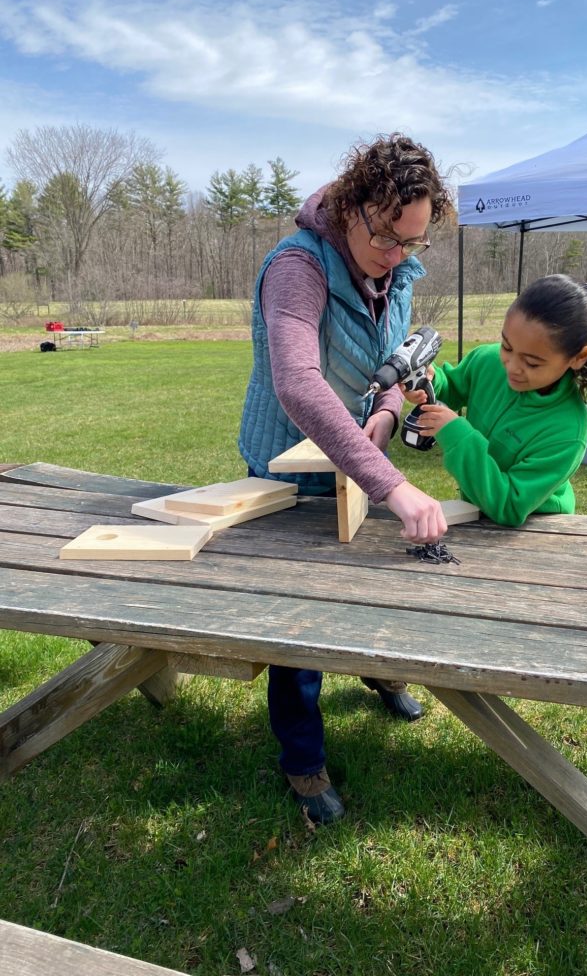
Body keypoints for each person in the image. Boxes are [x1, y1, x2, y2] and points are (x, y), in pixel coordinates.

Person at [238, 134, 452, 823]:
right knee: (297, 619)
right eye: (388, 237)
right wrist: (392, 483)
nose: (397, 255)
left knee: (375, 587)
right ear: (352, 206)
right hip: (288, 468)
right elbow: (298, 383)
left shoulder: (399, 271)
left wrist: (386, 418)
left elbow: (397, 368)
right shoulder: (297, 267)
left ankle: (377, 666)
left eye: (412, 243)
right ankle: (302, 762)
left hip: (361, 459)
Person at [404, 274, 587, 527]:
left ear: (579, 357)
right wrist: (428, 382)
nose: (512, 367)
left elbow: (509, 505)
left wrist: (458, 434)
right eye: (507, 346)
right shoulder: (487, 360)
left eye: (531, 362)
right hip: (480, 512)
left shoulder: (568, 428)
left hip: (539, 530)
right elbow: (450, 386)